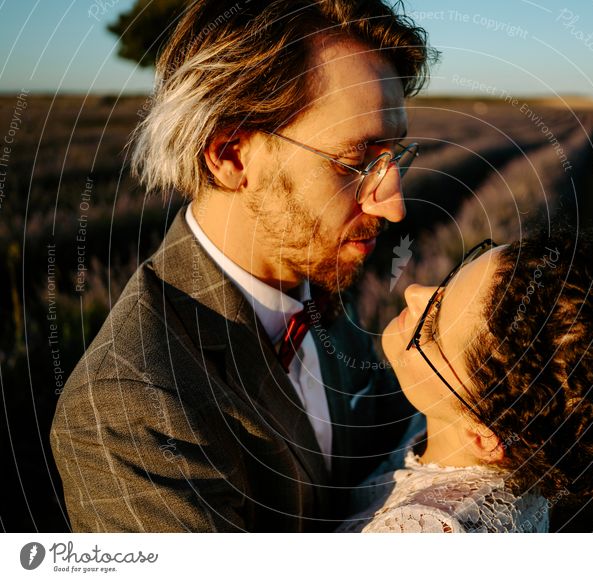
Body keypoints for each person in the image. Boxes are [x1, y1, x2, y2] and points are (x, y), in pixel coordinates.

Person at [50, 0, 435, 532]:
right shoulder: (130, 406)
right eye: (357, 161)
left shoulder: (315, 286)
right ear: (231, 155)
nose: (392, 205)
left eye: (394, 157)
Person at [337, 226, 593, 532]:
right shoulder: (523, 468)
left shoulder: (420, 537)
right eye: (448, 282)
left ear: (483, 434)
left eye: (432, 329)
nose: (413, 292)